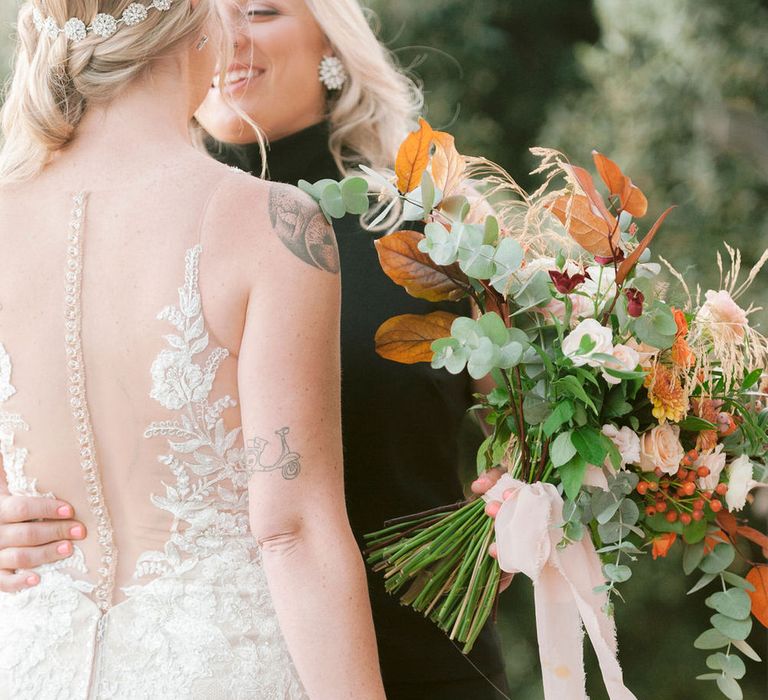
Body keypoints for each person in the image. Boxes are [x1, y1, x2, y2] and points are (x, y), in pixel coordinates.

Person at [0, 1, 510, 697]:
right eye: (221, 10)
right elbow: (289, 528)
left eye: (261, 11)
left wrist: (531, 486)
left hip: (417, 635)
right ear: (193, 29)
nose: (235, 31)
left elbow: (535, 414)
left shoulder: (441, 224)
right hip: (247, 653)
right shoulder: (265, 223)